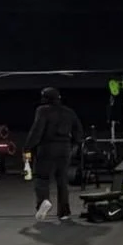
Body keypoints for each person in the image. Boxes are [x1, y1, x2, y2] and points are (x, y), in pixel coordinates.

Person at [26, 87, 83, 222]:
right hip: (65, 148)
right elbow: (78, 131)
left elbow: (37, 130)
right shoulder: (69, 112)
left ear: (45, 98)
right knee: (62, 180)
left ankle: (43, 202)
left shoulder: (43, 110)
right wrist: (74, 144)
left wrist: (27, 147)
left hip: (47, 148)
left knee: (42, 178)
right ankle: (64, 212)